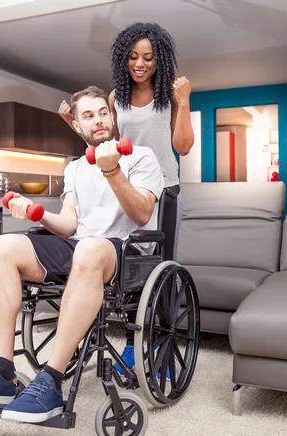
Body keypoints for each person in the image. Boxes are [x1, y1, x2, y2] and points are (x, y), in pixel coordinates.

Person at [0, 85, 164, 424]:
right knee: (1, 246)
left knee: (88, 248)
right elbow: (70, 223)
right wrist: (37, 212)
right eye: (88, 115)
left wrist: (113, 170)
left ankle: (51, 381)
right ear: (77, 126)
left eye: (103, 112)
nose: (99, 120)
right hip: (81, 246)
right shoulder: (74, 168)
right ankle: (0, 371)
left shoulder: (142, 156)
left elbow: (142, 213)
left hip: (124, 254)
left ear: (112, 116)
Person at [58, 22, 194, 375]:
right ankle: (131, 349)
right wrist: (72, 122)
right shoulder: (116, 98)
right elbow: (105, 140)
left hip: (164, 190)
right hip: (127, 188)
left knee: (159, 272)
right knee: (132, 270)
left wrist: (184, 102)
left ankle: (161, 354)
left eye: (148, 57)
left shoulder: (169, 96)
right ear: (123, 58)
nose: (140, 63)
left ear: (159, 59)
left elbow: (183, 146)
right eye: (133, 56)